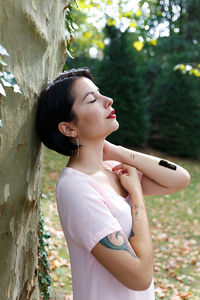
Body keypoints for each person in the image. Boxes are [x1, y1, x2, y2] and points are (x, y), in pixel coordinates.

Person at [36, 67, 190, 300]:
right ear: (68, 128)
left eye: (101, 94)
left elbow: (179, 177)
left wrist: (116, 151)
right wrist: (136, 195)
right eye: (92, 100)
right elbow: (139, 277)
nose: (108, 101)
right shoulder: (77, 189)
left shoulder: (111, 170)